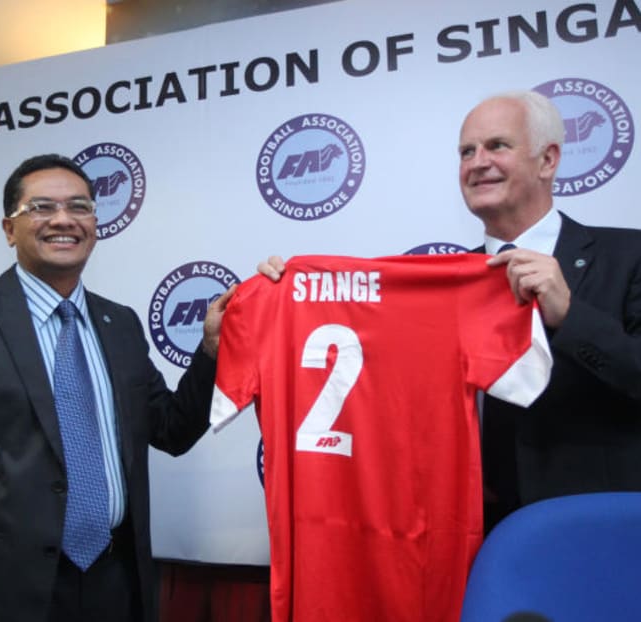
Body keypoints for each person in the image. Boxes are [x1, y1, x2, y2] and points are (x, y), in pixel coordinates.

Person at [260, 90, 641, 532]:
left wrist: (570, 314)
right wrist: (292, 293)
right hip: (476, 543)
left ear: (548, 160)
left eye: (498, 145)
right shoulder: (446, 286)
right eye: (466, 151)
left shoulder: (628, 255)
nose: (478, 162)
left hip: (607, 533)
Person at [0, 153, 234, 622]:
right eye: (41, 208)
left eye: (79, 207)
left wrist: (211, 351)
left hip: (116, 582)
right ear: (9, 229)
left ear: (95, 223)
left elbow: (172, 429)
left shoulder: (120, 323)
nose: (63, 220)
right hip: (4, 590)